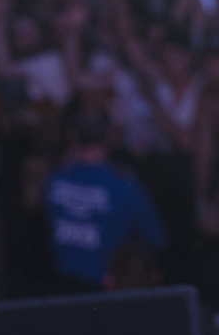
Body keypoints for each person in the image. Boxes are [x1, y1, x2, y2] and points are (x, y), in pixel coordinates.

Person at [45, 107, 169, 289]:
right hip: (105, 293)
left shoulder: (54, 181)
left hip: (61, 288)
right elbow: (157, 239)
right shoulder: (125, 185)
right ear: (110, 136)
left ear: (73, 137)